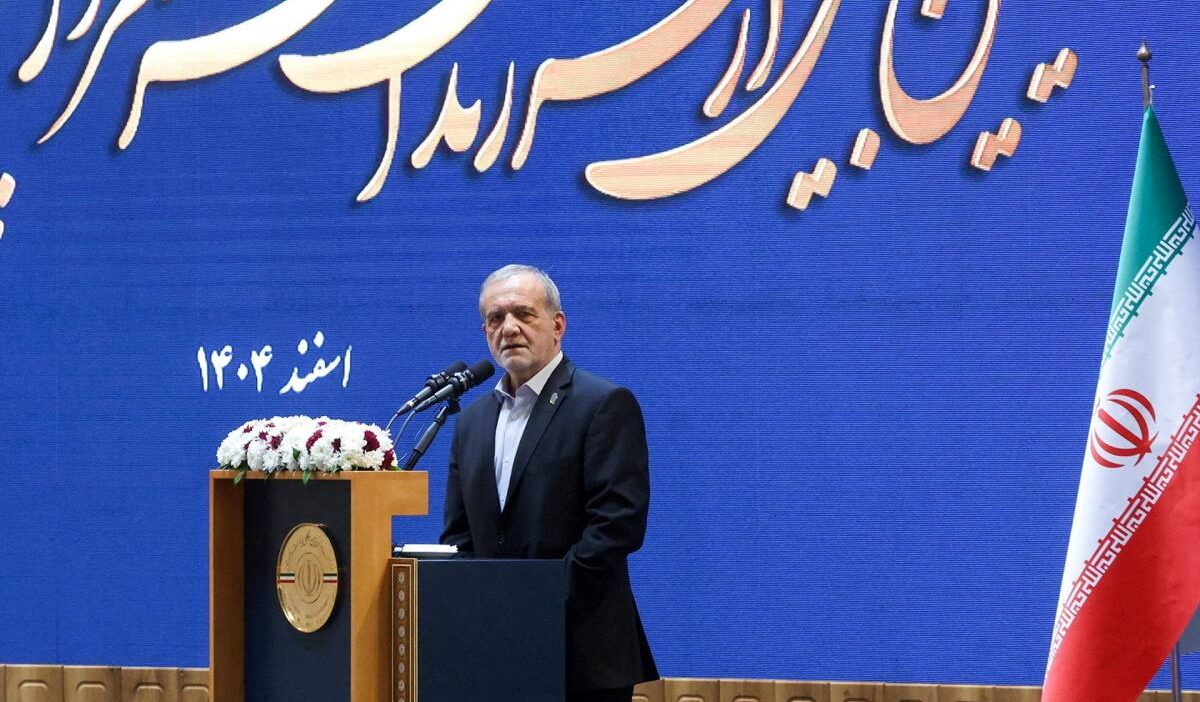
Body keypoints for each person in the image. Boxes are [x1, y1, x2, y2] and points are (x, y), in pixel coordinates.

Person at [441, 264, 658, 702]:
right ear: (485, 332)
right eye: (496, 318)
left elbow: (617, 526)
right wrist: (477, 605)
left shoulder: (602, 404)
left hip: (581, 654)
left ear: (557, 326)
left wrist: (536, 600)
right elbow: (459, 535)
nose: (509, 328)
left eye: (524, 313)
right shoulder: (471, 421)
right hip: (494, 652)